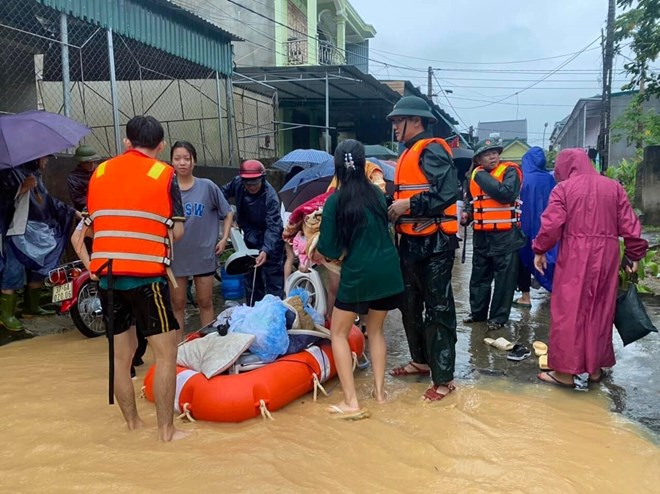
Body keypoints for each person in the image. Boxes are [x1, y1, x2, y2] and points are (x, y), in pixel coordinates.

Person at [84, 115, 186, 441]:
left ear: (126, 142)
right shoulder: (164, 173)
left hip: (108, 279)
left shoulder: (99, 171)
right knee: (167, 354)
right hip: (146, 278)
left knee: (121, 359)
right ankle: (166, 433)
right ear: (161, 145)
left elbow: (92, 225)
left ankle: (132, 426)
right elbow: (178, 230)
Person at [533, 149, 648, 388]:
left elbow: (551, 225)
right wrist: (635, 253)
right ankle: (595, 369)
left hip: (576, 254)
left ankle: (565, 373)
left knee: (569, 311)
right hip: (607, 254)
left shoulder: (563, 189)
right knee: (600, 309)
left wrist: (540, 249)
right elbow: (629, 223)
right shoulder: (613, 187)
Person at [316, 139, 403, 417]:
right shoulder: (377, 195)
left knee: (338, 333)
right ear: (365, 163)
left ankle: (351, 401)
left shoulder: (334, 201)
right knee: (375, 331)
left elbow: (328, 249)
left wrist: (316, 241)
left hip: (359, 273)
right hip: (389, 271)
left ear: (337, 167)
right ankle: (380, 394)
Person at [385, 96, 460, 402]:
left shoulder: (431, 149)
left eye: (397, 121)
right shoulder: (406, 154)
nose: (394, 127)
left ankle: (444, 379)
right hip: (410, 241)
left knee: (438, 308)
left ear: (415, 121)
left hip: (436, 242)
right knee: (410, 303)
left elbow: (448, 192)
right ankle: (420, 360)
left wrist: (409, 204)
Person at [0, 156, 77, 329]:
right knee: (13, 271)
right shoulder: (10, 174)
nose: (48, 160)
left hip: (38, 231)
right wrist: (21, 189)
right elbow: (4, 200)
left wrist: (72, 211)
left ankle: (31, 307)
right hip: (17, 232)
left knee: (38, 269)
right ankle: (7, 314)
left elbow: (49, 202)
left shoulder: (36, 175)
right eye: (46, 157)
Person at [169, 141, 233, 341]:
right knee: (177, 303)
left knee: (205, 301)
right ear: (171, 161)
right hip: (176, 255)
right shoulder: (167, 189)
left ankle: (208, 343)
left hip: (204, 253)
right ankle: (178, 349)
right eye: (177, 158)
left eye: (187, 158)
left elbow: (228, 212)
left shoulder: (207, 187)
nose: (182, 163)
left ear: (194, 161)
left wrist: (224, 239)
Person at [462, 139, 526, 331]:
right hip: (482, 236)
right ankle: (478, 313)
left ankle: (498, 318)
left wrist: (480, 175)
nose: (493, 156)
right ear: (479, 158)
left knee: (504, 281)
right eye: (487, 153)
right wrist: (467, 213)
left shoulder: (510, 171)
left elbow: (505, 194)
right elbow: (472, 201)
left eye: (495, 152)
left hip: (506, 236)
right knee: (479, 277)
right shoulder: (474, 176)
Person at [221, 160, 284, 305]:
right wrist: (229, 215)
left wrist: (266, 250)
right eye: (248, 184)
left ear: (262, 179)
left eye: (255, 183)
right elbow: (220, 194)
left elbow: (274, 227)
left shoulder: (271, 198)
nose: (251, 187)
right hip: (249, 237)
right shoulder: (237, 183)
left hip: (271, 240)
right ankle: (253, 313)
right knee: (253, 282)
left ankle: (274, 314)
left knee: (274, 284)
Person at [514, 146, 558, 308]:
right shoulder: (550, 179)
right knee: (551, 256)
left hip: (524, 225)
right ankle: (554, 290)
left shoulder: (522, 179)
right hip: (547, 226)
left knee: (523, 260)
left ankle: (525, 297)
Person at [67, 145, 101, 212]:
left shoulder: (99, 170)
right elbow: (77, 198)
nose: (92, 165)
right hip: (85, 210)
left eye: (93, 161)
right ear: (81, 162)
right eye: (88, 162)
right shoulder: (74, 177)